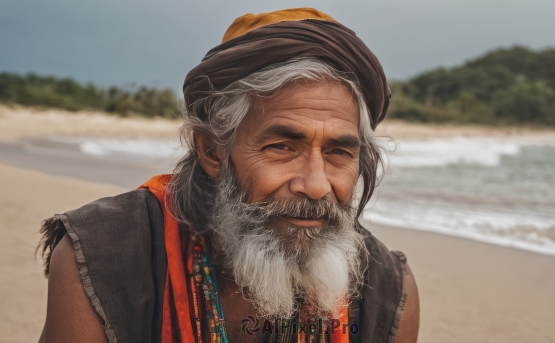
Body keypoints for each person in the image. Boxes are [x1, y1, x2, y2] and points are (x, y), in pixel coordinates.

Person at [37, 8, 419, 343]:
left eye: (338, 152)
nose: (317, 185)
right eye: (282, 147)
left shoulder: (386, 291)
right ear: (212, 149)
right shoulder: (106, 255)